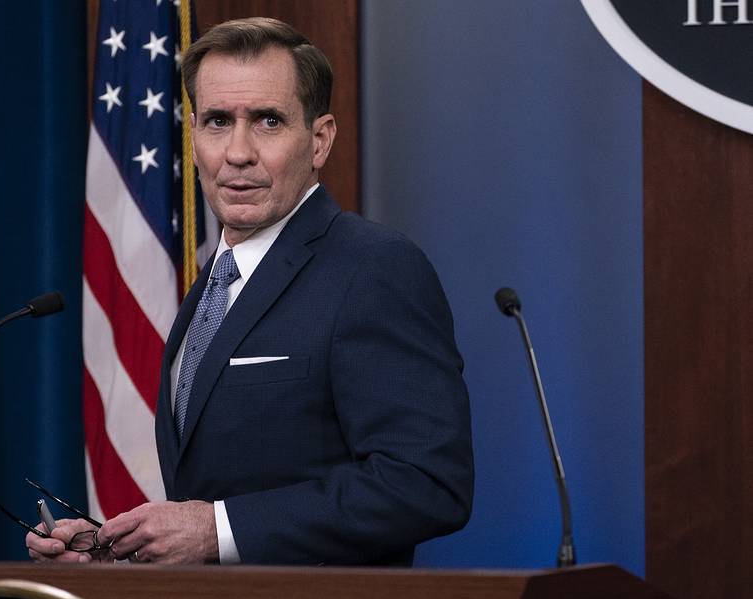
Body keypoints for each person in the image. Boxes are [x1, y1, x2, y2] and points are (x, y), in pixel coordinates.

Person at [28, 17, 472, 566]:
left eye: (267, 121)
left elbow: (427, 482)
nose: (237, 152)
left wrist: (215, 529)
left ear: (319, 139)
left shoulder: (373, 268)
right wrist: (119, 550)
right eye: (217, 121)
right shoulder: (216, 281)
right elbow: (215, 487)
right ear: (193, 137)